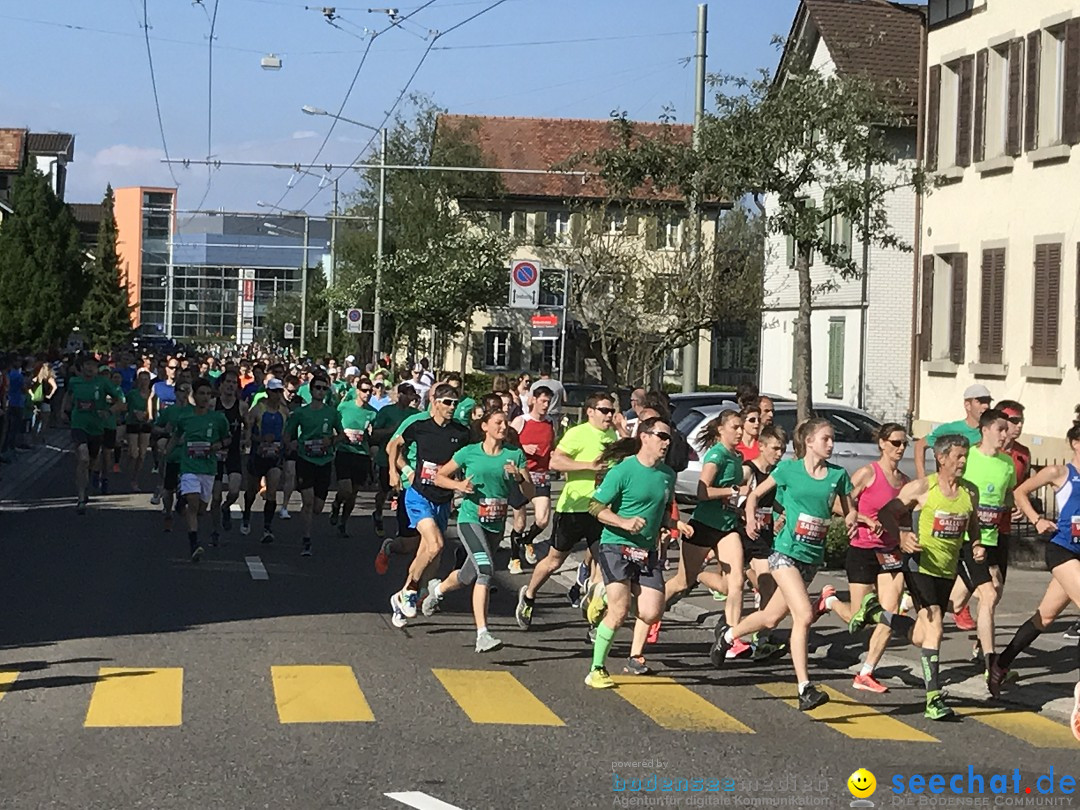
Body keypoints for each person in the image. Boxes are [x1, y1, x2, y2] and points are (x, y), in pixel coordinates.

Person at [712, 418, 857, 712]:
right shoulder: (789, 470)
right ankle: (805, 688)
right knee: (803, 615)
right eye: (826, 439)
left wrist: (853, 519)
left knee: (769, 618)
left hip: (811, 559)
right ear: (809, 442)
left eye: (832, 440)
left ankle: (727, 636)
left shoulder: (838, 475)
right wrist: (751, 518)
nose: (831, 444)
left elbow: (848, 508)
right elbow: (753, 494)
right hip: (785, 553)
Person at [850, 434, 983, 721]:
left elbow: (973, 528)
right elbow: (887, 513)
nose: (963, 461)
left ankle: (877, 613)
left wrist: (976, 545)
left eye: (965, 456)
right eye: (958, 456)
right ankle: (933, 698)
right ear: (942, 458)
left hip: (946, 569)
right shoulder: (922, 488)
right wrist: (901, 536)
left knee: (922, 636)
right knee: (935, 624)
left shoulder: (970, 492)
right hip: (918, 564)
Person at [988, 411, 1080, 741]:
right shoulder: (1060, 472)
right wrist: (1037, 519)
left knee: (1044, 617)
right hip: (1062, 551)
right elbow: (1019, 493)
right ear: (1075, 443)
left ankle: (1001, 663)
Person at [584, 416, 688, 688]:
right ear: (645, 437)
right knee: (619, 613)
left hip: (645, 551)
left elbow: (662, 513)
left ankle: (606, 594)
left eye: (669, 438)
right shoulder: (622, 471)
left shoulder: (667, 475)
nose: (667, 442)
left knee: (652, 611)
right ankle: (597, 669)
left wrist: (677, 525)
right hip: (615, 545)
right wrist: (623, 522)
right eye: (662, 436)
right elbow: (595, 507)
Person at [426, 408, 533, 652]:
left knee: (467, 577)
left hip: (495, 524)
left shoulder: (514, 455)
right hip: (471, 519)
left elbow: (530, 494)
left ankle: (437, 589)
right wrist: (458, 485)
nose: (503, 427)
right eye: (498, 423)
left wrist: (518, 478)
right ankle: (483, 634)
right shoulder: (469, 452)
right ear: (484, 427)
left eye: (505, 423)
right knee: (485, 570)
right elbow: (439, 476)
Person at [819, 423, 910, 693]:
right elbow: (837, 503)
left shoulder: (904, 482)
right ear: (882, 443)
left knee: (890, 614)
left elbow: (903, 517)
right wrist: (863, 519)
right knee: (857, 619)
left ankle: (866, 672)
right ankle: (831, 601)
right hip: (862, 549)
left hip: (890, 552)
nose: (901, 448)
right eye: (895, 443)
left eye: (904, 444)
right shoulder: (868, 474)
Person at [515, 394, 617, 630]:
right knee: (553, 561)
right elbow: (555, 462)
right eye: (604, 410)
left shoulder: (613, 436)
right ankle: (529, 595)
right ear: (590, 411)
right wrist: (588, 466)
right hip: (573, 509)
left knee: (603, 561)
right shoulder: (577, 433)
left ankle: (594, 616)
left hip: (600, 509)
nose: (609, 415)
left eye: (611, 411)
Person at [665, 409, 750, 659]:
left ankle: (732, 637)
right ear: (721, 429)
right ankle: (650, 614)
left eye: (741, 427)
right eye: (735, 427)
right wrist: (732, 491)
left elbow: (731, 495)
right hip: (703, 525)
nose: (739, 432)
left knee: (736, 583)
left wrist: (738, 506)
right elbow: (702, 492)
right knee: (683, 581)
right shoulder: (717, 455)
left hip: (726, 527)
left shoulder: (737, 456)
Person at [388, 384, 471, 627]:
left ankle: (402, 597)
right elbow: (394, 445)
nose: (452, 407)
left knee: (427, 552)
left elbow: (470, 458)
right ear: (434, 402)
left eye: (455, 403)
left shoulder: (461, 433)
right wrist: (397, 470)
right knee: (436, 545)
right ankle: (411, 590)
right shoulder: (420, 426)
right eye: (447, 402)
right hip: (418, 495)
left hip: (442, 498)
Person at [948, 409, 1015, 672]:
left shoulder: (1007, 463)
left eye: (1006, 429)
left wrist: (1013, 506)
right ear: (985, 429)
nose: (1005, 434)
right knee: (988, 593)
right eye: (1000, 429)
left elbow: (1006, 495)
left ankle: (914, 600)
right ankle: (989, 660)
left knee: (959, 599)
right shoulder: (969, 458)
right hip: (968, 539)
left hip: (993, 537)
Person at [169, 378, 231, 563]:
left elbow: (228, 439)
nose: (205, 398)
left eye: (207, 394)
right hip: (189, 466)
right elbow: (176, 436)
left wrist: (218, 444)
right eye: (201, 394)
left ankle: (181, 502)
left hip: (208, 468)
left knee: (201, 510)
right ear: (194, 396)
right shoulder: (185, 417)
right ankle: (194, 544)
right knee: (194, 503)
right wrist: (167, 455)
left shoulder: (218, 418)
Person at [284, 372, 344, 556]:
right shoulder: (300, 412)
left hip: (324, 461)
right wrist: (291, 444)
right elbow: (288, 435)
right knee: (308, 501)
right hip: (306, 459)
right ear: (311, 390)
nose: (320, 391)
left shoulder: (332, 413)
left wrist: (332, 441)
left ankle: (318, 509)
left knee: (318, 507)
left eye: (324, 388)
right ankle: (307, 538)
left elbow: (341, 434)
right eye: (317, 388)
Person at [63, 355, 126, 513]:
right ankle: (81, 497)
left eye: (93, 365)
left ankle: (88, 479)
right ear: (82, 367)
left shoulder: (103, 383)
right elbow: (68, 395)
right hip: (79, 424)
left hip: (97, 427)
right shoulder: (74, 382)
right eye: (87, 365)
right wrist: (63, 410)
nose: (90, 368)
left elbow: (120, 401)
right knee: (83, 457)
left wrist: (109, 411)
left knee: (91, 460)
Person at [508, 386, 556, 574]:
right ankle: (514, 558)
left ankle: (528, 540)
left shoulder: (551, 422)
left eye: (548, 401)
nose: (546, 405)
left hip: (541, 475)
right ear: (533, 400)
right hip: (521, 474)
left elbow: (552, 443)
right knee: (519, 522)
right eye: (543, 401)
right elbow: (506, 443)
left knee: (543, 520)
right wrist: (522, 447)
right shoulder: (521, 421)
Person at [370, 384, 421, 557]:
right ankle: (378, 512)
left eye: (412, 395)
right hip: (387, 459)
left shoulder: (416, 415)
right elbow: (374, 434)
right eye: (407, 395)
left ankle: (403, 527)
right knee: (385, 491)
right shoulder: (386, 411)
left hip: (408, 461)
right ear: (399, 395)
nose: (410, 398)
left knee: (402, 492)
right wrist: (391, 431)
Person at [330, 376, 378, 537]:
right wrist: (337, 437)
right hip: (344, 452)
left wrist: (371, 437)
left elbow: (373, 437)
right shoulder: (344, 407)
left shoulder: (372, 413)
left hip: (361, 455)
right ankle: (336, 504)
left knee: (354, 492)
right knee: (345, 489)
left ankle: (343, 522)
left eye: (370, 391)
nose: (367, 394)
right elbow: (334, 425)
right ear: (357, 391)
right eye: (364, 390)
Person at [242, 378, 288, 543]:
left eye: (279, 391)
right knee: (252, 490)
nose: (277, 394)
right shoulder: (257, 410)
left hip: (275, 457)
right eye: (274, 391)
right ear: (267, 392)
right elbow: (247, 434)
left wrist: (286, 443)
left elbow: (287, 433)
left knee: (272, 490)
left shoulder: (284, 411)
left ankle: (267, 528)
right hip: (258, 456)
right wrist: (260, 439)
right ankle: (246, 514)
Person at [913, 384, 991, 478]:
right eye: (980, 402)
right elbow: (920, 445)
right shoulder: (951, 429)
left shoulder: (992, 431)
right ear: (968, 405)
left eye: (988, 402)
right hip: (954, 486)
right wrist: (921, 477)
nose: (986, 406)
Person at [209, 370, 247, 546]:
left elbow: (249, 424)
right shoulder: (212, 404)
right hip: (215, 452)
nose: (231, 385)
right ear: (221, 385)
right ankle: (216, 530)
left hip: (233, 453)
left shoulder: (241, 406)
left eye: (234, 383)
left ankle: (227, 507)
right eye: (228, 382)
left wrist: (245, 440)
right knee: (215, 496)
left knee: (234, 491)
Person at [124, 370, 153, 490]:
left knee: (142, 454)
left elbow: (154, 410)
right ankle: (127, 470)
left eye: (146, 379)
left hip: (145, 424)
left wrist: (147, 415)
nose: (144, 382)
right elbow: (126, 408)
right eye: (141, 379)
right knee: (134, 454)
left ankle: (135, 479)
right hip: (133, 424)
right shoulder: (132, 394)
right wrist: (135, 412)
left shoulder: (152, 394)